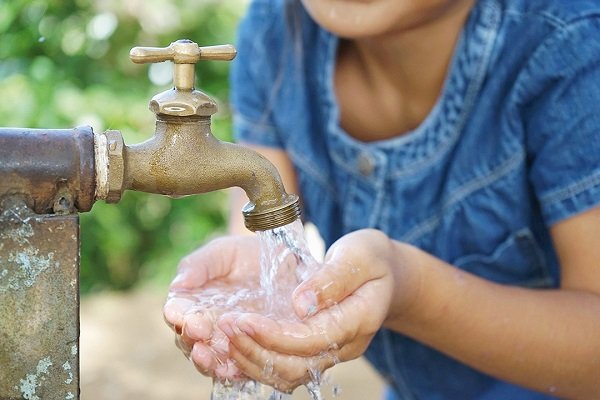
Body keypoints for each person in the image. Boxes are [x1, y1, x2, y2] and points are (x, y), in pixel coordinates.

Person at [163, 0, 600, 398]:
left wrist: (411, 290)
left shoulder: (570, 45)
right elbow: (264, 225)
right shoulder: (277, 31)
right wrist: (251, 296)